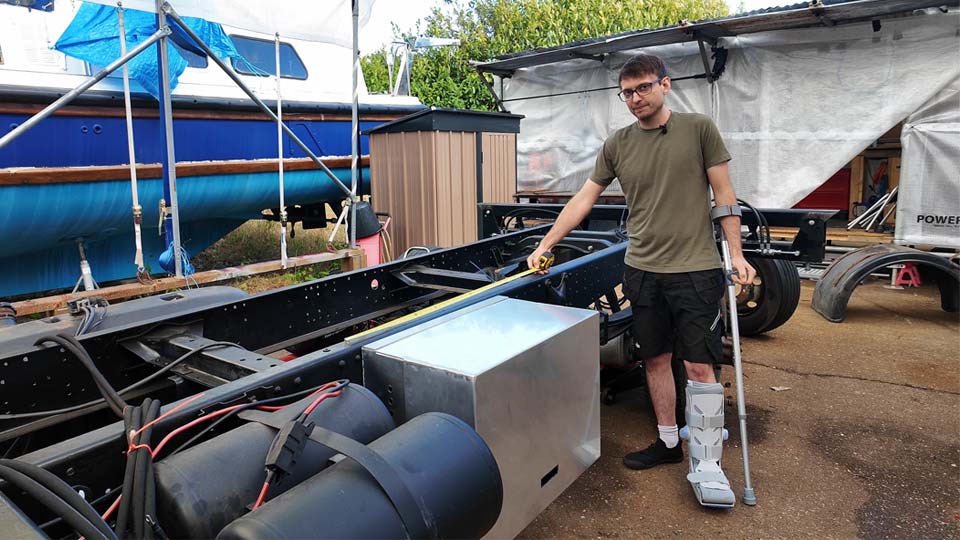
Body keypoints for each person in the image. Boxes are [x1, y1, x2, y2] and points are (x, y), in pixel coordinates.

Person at [525, 54, 756, 508]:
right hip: (643, 269)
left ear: (664, 85)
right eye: (626, 93)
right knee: (654, 359)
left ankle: (707, 463)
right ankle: (669, 442)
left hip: (695, 269)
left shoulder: (698, 129)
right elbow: (584, 199)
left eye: (643, 89)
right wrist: (546, 243)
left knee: (698, 366)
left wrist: (737, 254)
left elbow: (724, 196)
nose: (634, 99)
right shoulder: (618, 144)